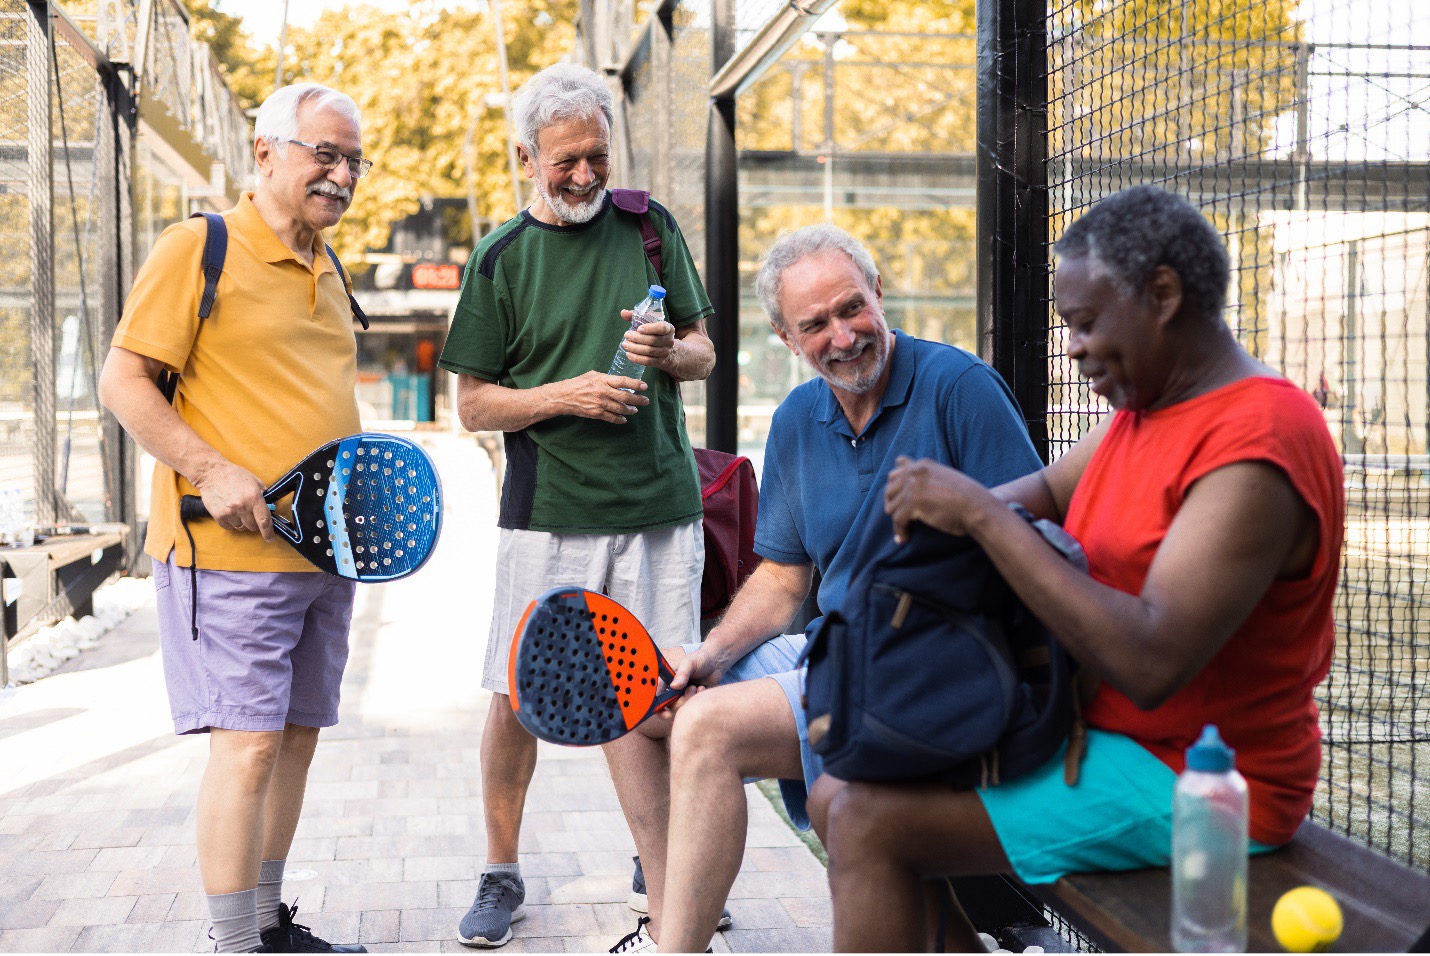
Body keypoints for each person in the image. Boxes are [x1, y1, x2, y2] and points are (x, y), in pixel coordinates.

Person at [810, 186, 1345, 951]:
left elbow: (1152, 658)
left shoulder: (1258, 439)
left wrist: (978, 514)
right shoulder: (1144, 412)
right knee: (836, 790)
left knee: (867, 821)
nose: (1074, 347)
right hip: (1097, 736)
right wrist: (934, 510)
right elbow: (1041, 495)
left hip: (1203, 778)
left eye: (1088, 324)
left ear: (1163, 294)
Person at [613, 224, 1044, 953]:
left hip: (931, 670)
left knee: (709, 730)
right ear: (786, 337)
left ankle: (673, 946)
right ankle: (671, 906)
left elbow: (1029, 541)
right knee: (634, 687)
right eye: (816, 324)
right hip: (831, 654)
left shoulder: (959, 388)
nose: (843, 337)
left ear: (879, 293)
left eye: (852, 309)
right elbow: (783, 579)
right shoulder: (794, 421)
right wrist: (711, 656)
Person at [435, 63, 716, 949]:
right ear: (527, 158)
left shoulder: (650, 228)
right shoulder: (500, 257)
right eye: (567, 161)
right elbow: (473, 405)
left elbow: (704, 354)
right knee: (519, 696)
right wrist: (568, 395)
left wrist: (670, 350)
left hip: (662, 508)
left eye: (598, 155)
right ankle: (500, 869)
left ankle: (661, 865)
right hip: (548, 512)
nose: (587, 175)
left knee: (662, 693)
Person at [97, 83, 373, 953]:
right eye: (324, 153)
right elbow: (123, 381)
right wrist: (210, 467)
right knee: (246, 748)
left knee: (294, 740)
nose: (341, 174)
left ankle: (264, 923)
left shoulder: (330, 266)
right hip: (229, 554)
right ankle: (233, 944)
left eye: (354, 161)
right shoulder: (200, 247)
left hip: (323, 555)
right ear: (266, 152)